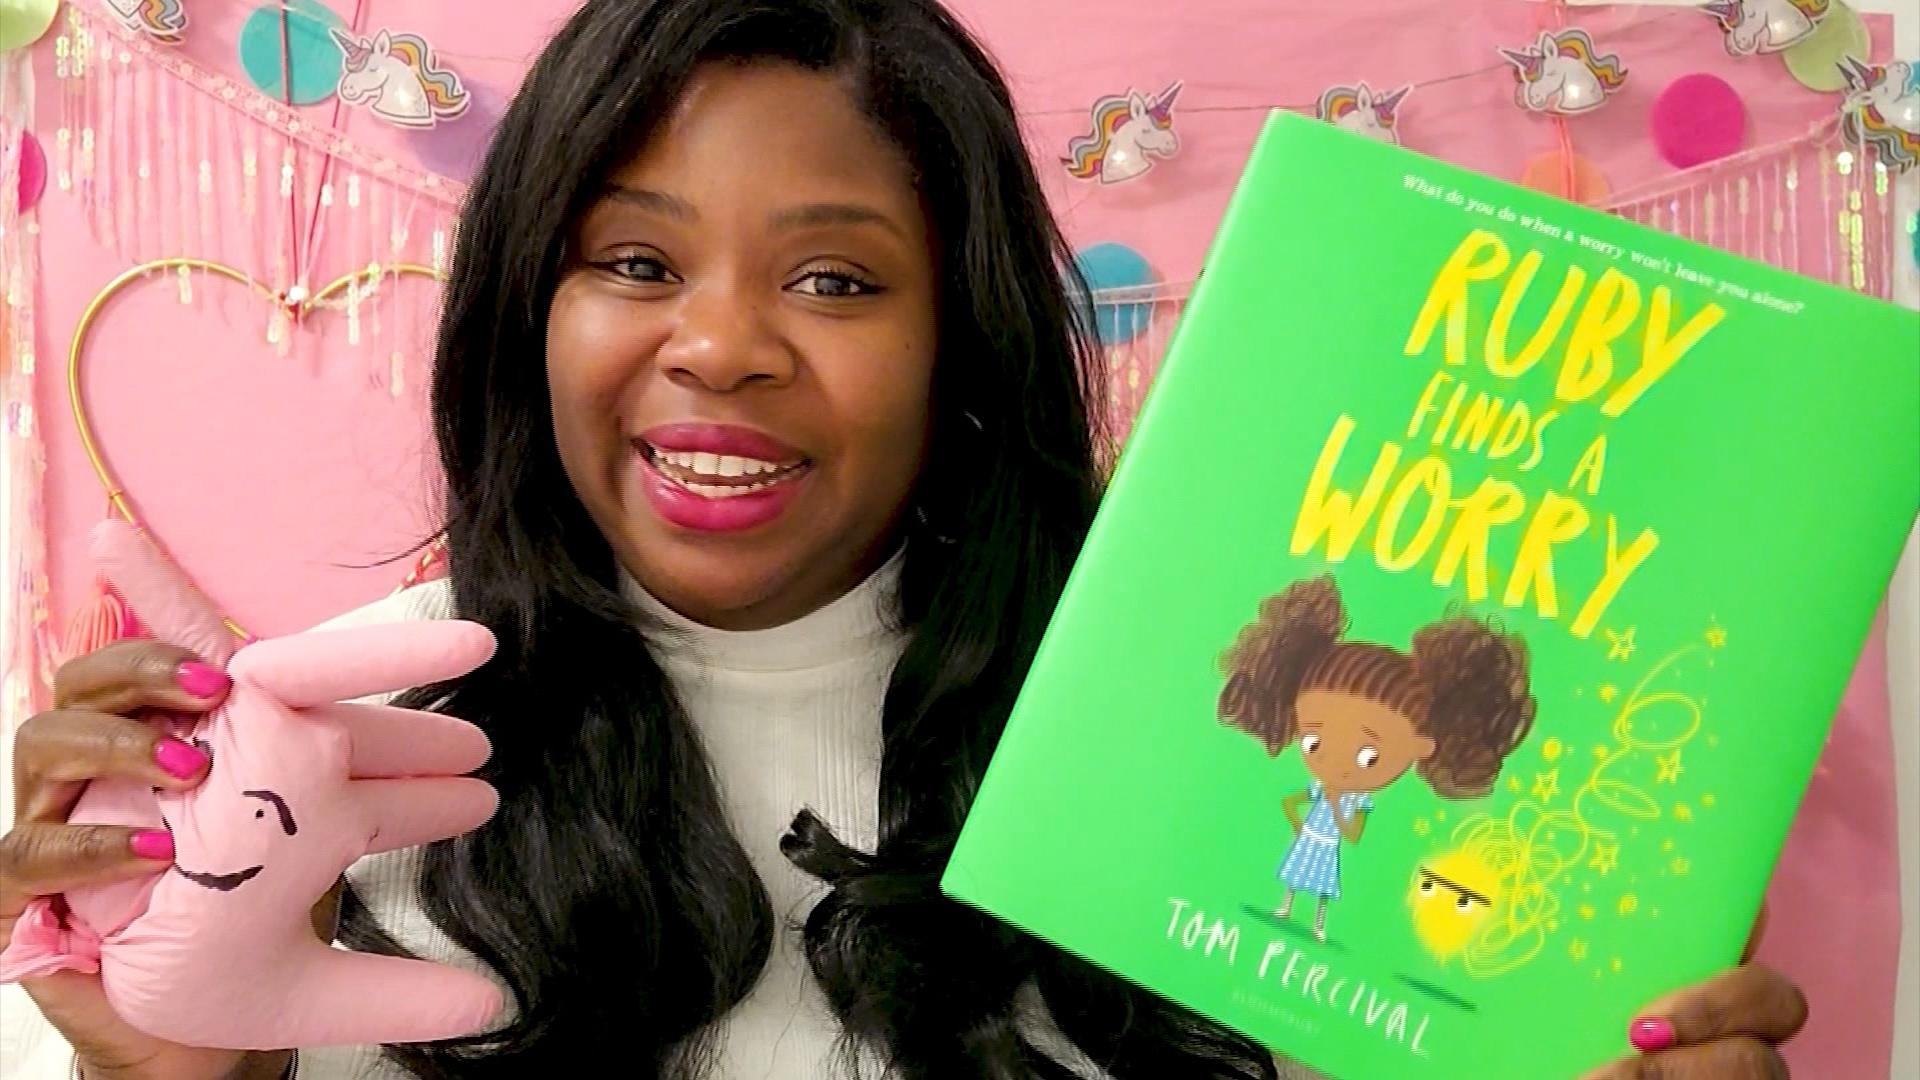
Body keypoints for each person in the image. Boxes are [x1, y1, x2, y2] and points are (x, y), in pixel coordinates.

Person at [0, 1, 1812, 1077]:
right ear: (526, 311)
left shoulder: (1199, 757)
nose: (719, 344)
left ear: (964, 345)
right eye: (632, 260)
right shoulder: (326, 768)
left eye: (835, 280)